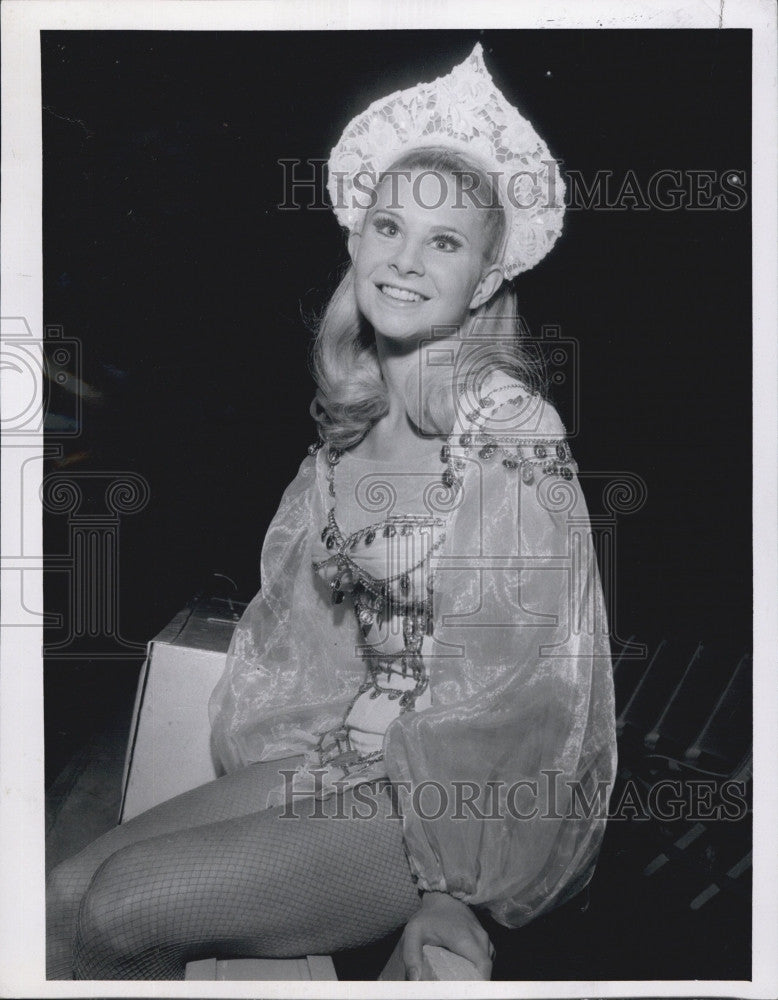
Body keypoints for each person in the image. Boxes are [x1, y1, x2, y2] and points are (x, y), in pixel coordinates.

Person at [46, 44, 616, 981]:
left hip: (438, 803)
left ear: (483, 279)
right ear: (353, 240)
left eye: (444, 242)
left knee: (123, 910)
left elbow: (528, 686)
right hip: (344, 758)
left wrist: (450, 882)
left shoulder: (508, 426)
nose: (405, 259)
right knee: (66, 891)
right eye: (389, 226)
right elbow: (303, 640)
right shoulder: (350, 421)